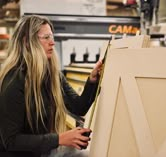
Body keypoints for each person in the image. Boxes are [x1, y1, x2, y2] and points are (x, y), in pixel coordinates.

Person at [0, 15, 102, 157]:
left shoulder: (53, 76)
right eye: (46, 37)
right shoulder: (13, 81)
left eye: (52, 37)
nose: (52, 43)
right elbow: (11, 141)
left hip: (41, 151)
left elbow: (79, 107)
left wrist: (92, 81)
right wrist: (59, 139)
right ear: (27, 42)